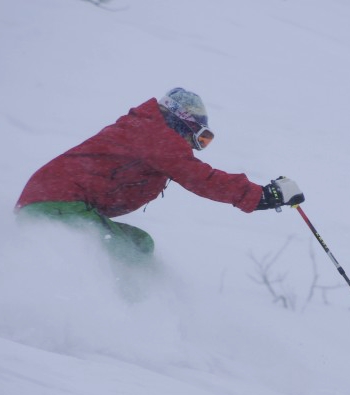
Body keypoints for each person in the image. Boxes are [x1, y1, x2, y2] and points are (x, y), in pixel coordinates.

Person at [15, 87, 304, 263]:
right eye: (199, 138)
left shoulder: (147, 131)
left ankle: (124, 301)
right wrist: (263, 196)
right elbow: (200, 178)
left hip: (55, 201)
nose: (194, 147)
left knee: (139, 244)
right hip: (57, 202)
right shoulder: (156, 136)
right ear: (184, 124)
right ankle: (118, 306)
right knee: (124, 250)